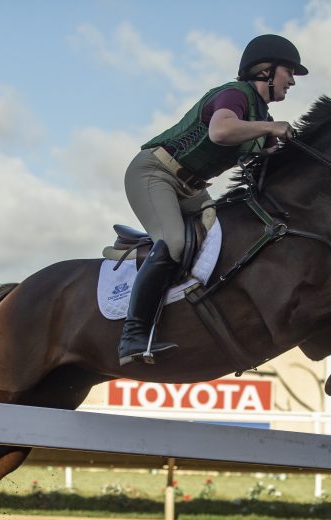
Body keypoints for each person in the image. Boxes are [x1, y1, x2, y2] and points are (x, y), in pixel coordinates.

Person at [117, 34, 308, 365]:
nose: (291, 80)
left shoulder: (257, 111)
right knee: (174, 243)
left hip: (192, 189)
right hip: (155, 174)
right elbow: (220, 132)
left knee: (222, 236)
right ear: (265, 70)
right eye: (288, 71)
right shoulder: (236, 95)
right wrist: (270, 127)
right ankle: (133, 336)